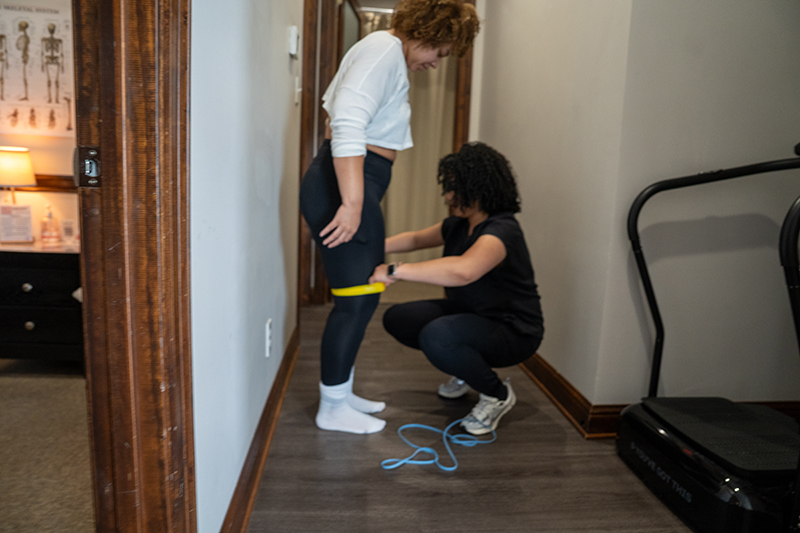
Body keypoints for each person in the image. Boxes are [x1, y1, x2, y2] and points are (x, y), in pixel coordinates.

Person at [299, 0, 480, 434]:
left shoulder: (384, 56)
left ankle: (340, 393)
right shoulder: (382, 49)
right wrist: (353, 202)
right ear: (429, 30)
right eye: (438, 52)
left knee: (363, 296)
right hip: (346, 184)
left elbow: (341, 117)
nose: (436, 63)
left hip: (351, 182)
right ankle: (332, 407)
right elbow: (344, 123)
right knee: (356, 298)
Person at [369, 142, 544, 435]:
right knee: (398, 318)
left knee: (437, 336)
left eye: (455, 188)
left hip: (514, 330)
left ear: (479, 188)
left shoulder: (502, 231)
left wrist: (394, 271)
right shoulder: (459, 225)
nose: (448, 196)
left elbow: (463, 271)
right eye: (448, 187)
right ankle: (467, 370)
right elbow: (414, 240)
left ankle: (497, 395)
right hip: (475, 313)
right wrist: (368, 245)